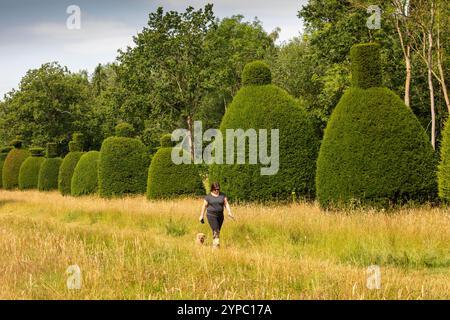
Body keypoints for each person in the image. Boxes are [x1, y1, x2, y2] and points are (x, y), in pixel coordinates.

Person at [199, 182, 235, 248]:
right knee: (216, 230)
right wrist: (201, 215)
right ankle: (216, 247)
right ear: (212, 189)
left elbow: (226, 204)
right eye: (215, 189)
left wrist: (229, 212)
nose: (217, 190)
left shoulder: (222, 195)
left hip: (220, 216)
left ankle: (208, 242)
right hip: (211, 215)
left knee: (216, 231)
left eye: (218, 189)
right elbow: (204, 206)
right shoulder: (208, 197)